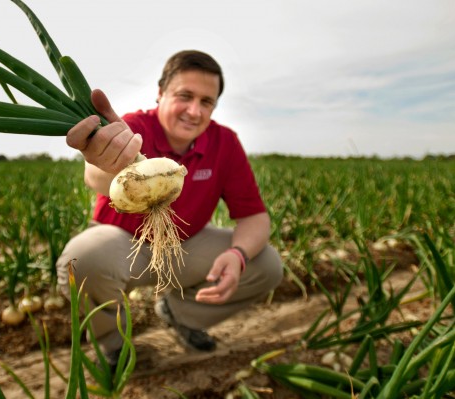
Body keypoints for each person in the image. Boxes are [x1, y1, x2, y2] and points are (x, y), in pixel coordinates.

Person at [57, 50, 284, 369]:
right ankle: (112, 344)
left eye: (207, 102)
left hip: (184, 247)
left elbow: (255, 216)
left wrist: (238, 255)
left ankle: (180, 315)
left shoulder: (224, 143)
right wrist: (102, 160)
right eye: (185, 96)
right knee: (81, 260)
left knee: (267, 263)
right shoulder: (131, 129)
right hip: (124, 248)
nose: (194, 111)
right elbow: (95, 178)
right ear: (161, 93)